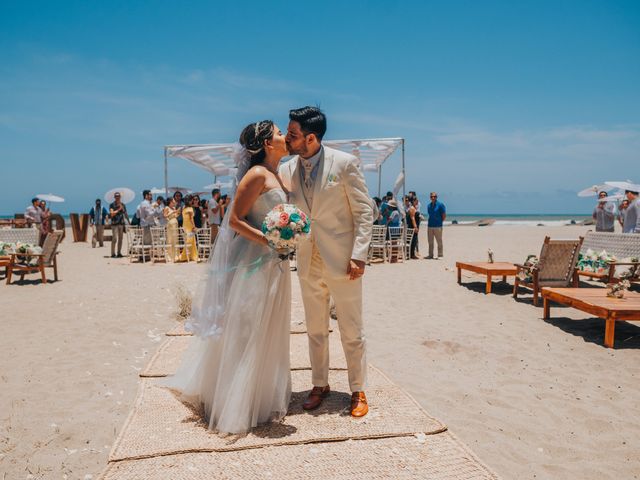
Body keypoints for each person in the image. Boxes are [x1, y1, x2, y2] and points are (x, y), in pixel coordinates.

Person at [163, 119, 291, 434]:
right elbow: (233, 220)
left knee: (268, 325)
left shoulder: (277, 174)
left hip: (277, 259)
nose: (284, 136)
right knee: (247, 326)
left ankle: (258, 394)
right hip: (253, 260)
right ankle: (233, 401)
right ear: (266, 144)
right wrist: (270, 240)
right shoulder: (257, 174)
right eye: (278, 133)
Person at [281, 106, 373, 418]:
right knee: (315, 328)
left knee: (351, 327)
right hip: (307, 259)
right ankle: (319, 385)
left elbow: (364, 212)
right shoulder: (287, 169)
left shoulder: (345, 164)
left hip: (344, 260)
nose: (287, 138)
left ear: (311, 138)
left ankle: (358, 389)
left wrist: (359, 255)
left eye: (292, 134)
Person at [178, 194, 199, 262]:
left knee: (189, 240)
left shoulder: (183, 208)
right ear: (189, 201)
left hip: (185, 226)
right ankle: (188, 256)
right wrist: (194, 226)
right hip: (189, 226)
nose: (192, 201)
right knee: (190, 241)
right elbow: (191, 219)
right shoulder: (190, 209)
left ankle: (188, 256)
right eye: (191, 200)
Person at [426, 192, 446, 259]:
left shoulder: (440, 205)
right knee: (430, 241)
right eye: (431, 196)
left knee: (439, 241)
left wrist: (440, 222)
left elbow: (444, 215)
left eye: (434, 196)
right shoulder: (429, 206)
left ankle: (440, 255)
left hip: (438, 226)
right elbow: (429, 214)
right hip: (430, 226)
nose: (433, 198)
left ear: (436, 197)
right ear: (430, 197)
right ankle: (430, 255)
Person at [109, 192, 128, 258]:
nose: (117, 197)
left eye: (118, 196)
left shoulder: (123, 205)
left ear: (120, 197)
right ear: (114, 197)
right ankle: (112, 253)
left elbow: (125, 214)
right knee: (114, 238)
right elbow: (111, 214)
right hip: (114, 224)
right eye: (116, 196)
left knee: (121, 239)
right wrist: (118, 209)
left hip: (121, 223)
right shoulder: (112, 205)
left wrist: (128, 221)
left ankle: (119, 252)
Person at [163, 197, 180, 261]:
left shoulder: (173, 208)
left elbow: (175, 216)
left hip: (175, 224)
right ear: (170, 202)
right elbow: (165, 216)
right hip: (170, 224)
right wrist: (173, 212)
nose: (174, 202)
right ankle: (169, 255)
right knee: (170, 239)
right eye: (173, 201)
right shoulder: (166, 208)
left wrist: (177, 213)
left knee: (175, 239)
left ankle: (176, 255)